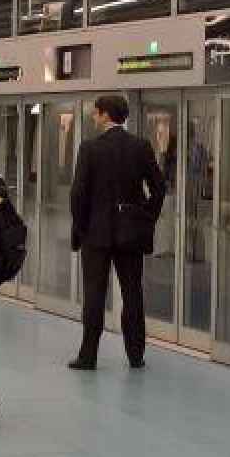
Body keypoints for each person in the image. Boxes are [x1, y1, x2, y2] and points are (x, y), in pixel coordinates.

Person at [68, 95, 165, 371]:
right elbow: (159, 188)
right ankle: (136, 355)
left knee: (94, 294)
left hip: (96, 234)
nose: (94, 117)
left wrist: (81, 226)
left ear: (105, 115)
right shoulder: (141, 146)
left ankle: (88, 356)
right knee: (132, 292)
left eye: (96, 113)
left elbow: (78, 194)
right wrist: (144, 216)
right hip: (130, 233)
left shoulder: (89, 149)